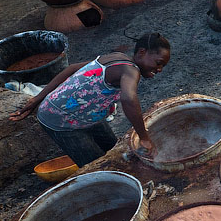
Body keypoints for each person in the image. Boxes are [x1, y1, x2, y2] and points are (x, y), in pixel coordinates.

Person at [9, 33, 171, 166]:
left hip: (86, 115)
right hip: (61, 121)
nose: (160, 69)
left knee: (114, 149)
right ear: (141, 52)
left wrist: (37, 98)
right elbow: (128, 98)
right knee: (97, 166)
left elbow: (72, 69)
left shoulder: (118, 57)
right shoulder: (131, 71)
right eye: (158, 63)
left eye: (163, 66)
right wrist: (144, 137)